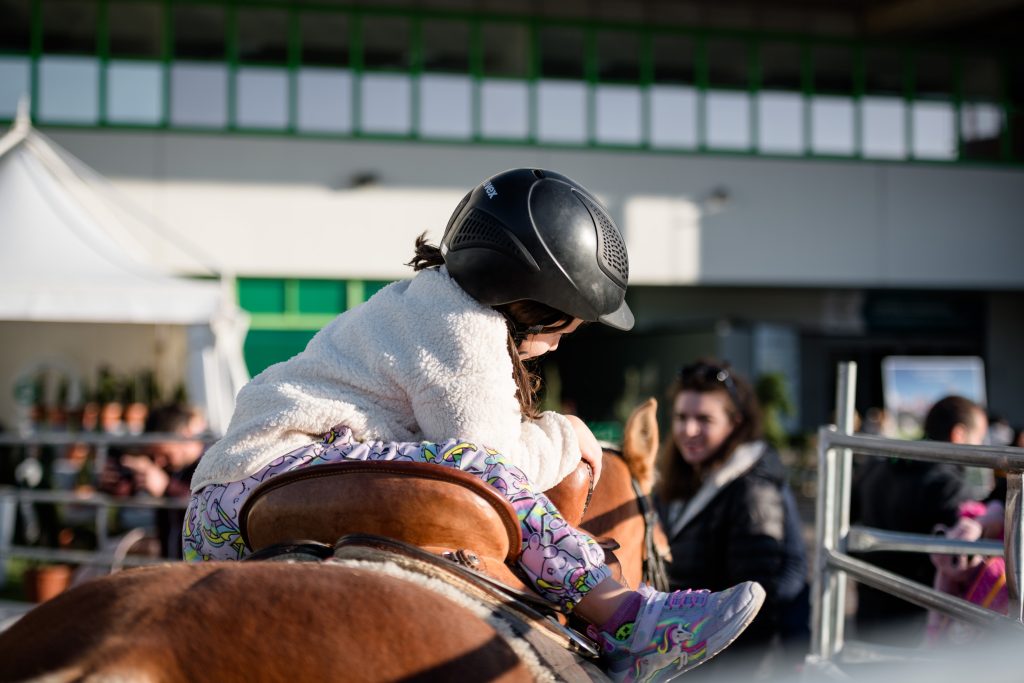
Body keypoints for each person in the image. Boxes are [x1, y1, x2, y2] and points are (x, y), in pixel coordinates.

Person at [183, 168, 764, 681]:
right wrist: (567, 435)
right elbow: (496, 464)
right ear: (534, 299)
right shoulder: (463, 327)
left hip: (221, 507)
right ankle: (630, 619)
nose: (560, 344)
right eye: (563, 329)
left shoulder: (421, 301)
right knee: (479, 471)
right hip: (268, 480)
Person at [653, 359, 810, 678]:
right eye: (682, 417)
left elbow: (753, 608)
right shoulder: (688, 475)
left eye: (704, 419)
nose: (688, 430)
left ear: (735, 423)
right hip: (691, 653)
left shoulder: (752, 490)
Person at [851, 394, 989, 646]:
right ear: (959, 435)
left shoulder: (880, 465)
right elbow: (959, 563)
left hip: (869, 607)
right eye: (979, 438)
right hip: (918, 619)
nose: (981, 446)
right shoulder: (950, 486)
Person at [100, 405, 206, 558]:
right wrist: (114, 483)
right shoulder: (166, 465)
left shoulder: (212, 462)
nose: (158, 462)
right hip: (171, 565)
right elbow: (127, 491)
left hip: (203, 569)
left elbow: (210, 508)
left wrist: (166, 486)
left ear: (185, 436)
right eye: (153, 455)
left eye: (164, 454)